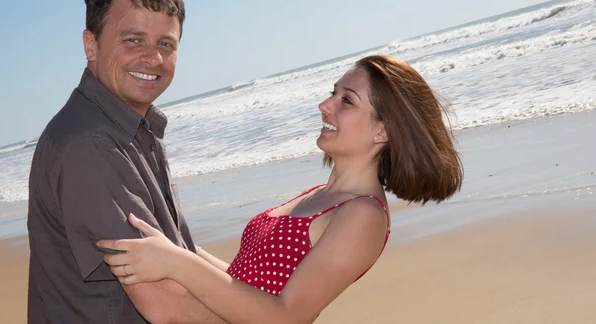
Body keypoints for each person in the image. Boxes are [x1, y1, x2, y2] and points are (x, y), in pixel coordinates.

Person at [98, 54, 464, 323]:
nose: (325, 105)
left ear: (382, 131)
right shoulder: (317, 196)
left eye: (346, 101)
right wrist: (185, 250)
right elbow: (247, 279)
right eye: (332, 93)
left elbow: (286, 315)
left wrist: (178, 263)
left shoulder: (363, 214)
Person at [27, 0, 225, 323]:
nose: (152, 58)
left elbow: (180, 251)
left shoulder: (133, 128)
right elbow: (166, 303)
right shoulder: (90, 144)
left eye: (166, 44)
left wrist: (261, 290)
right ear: (91, 45)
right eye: (133, 40)